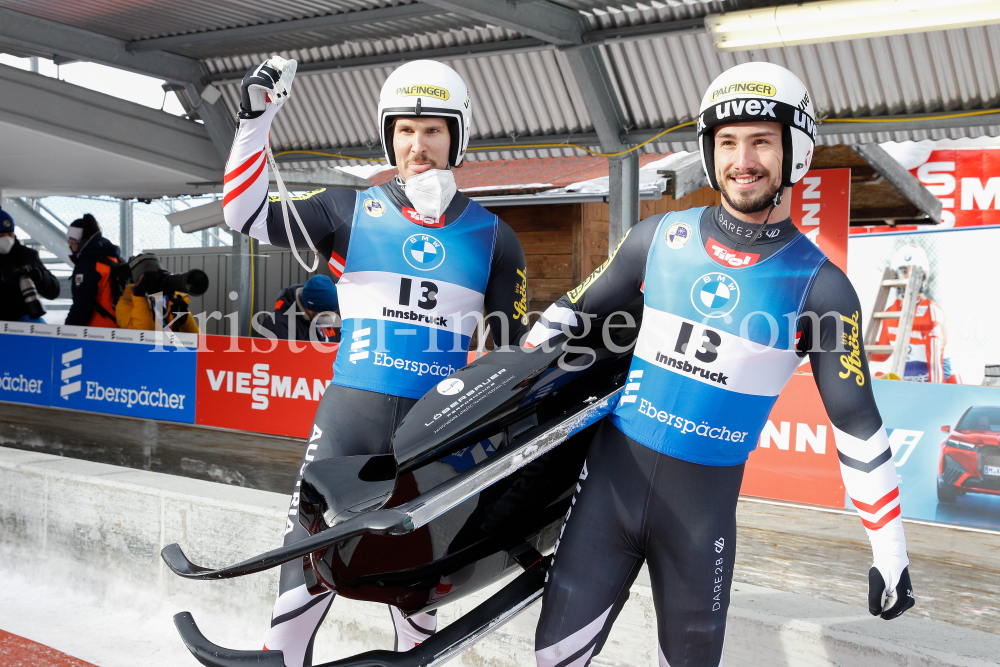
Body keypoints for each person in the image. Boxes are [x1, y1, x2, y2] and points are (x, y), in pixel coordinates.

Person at [525, 62, 915, 667]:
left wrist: (890, 551)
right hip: (607, 492)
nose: (744, 159)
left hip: (698, 517)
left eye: (762, 140)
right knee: (551, 660)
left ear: (796, 151)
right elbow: (567, 317)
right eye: (727, 142)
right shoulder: (657, 239)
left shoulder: (821, 287)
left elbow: (857, 426)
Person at [222, 57, 529, 667]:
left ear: (456, 137)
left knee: (420, 548)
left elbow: (508, 355)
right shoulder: (345, 209)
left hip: (434, 424)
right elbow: (243, 215)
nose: (418, 145)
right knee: (307, 539)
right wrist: (256, 119)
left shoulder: (496, 235)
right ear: (389, 136)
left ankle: (418, 655)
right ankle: (282, 656)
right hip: (351, 409)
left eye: (433, 130)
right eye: (405, 130)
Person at [870, 243, 958, 383]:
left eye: (913, 271)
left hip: (933, 375)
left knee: (957, 380)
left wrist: (934, 395)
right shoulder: (890, 312)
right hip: (906, 376)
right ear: (896, 274)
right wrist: (851, 345)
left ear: (923, 275)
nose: (909, 277)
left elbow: (935, 363)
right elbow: (882, 353)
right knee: (878, 376)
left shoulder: (932, 312)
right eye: (904, 271)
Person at [115, 253, 200, 334]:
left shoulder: (173, 299)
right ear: (137, 282)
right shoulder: (125, 304)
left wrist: (185, 321)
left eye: (158, 275)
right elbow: (143, 335)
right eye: (150, 277)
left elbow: (197, 338)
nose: (155, 281)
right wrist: (139, 295)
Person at [0, 208, 60, 322]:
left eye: (10, 234)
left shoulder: (26, 256)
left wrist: (39, 275)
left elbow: (53, 292)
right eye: (1, 235)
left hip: (22, 319)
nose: (6, 239)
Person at [65, 213, 121, 327]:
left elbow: (82, 306)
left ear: (73, 242)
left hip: (96, 329)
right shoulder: (113, 258)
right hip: (119, 323)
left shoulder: (87, 265)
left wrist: (68, 331)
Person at [258, 274, 340, 343]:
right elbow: (278, 359)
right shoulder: (278, 325)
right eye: (324, 315)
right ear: (309, 309)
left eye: (333, 312)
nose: (330, 317)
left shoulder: (319, 318)